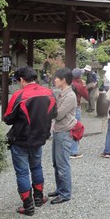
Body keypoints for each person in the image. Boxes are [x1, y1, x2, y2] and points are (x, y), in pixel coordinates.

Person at [4, 66, 57, 216]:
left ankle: (28, 206)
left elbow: (8, 118)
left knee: (22, 172)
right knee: (36, 167)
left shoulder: (19, 95)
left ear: (21, 79)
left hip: (20, 138)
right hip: (39, 137)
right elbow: (54, 113)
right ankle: (39, 198)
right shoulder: (49, 93)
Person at [48, 67, 77, 204]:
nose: (54, 80)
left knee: (62, 163)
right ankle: (60, 188)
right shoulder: (62, 93)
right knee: (56, 162)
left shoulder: (70, 96)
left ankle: (65, 193)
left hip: (64, 131)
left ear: (63, 80)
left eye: (57, 78)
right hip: (58, 130)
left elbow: (58, 115)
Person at [69, 68, 89, 159]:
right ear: (79, 76)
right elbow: (86, 96)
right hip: (76, 107)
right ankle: (73, 151)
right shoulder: (78, 85)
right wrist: (84, 86)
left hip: (68, 108)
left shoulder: (69, 83)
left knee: (69, 128)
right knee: (76, 129)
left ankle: (68, 149)